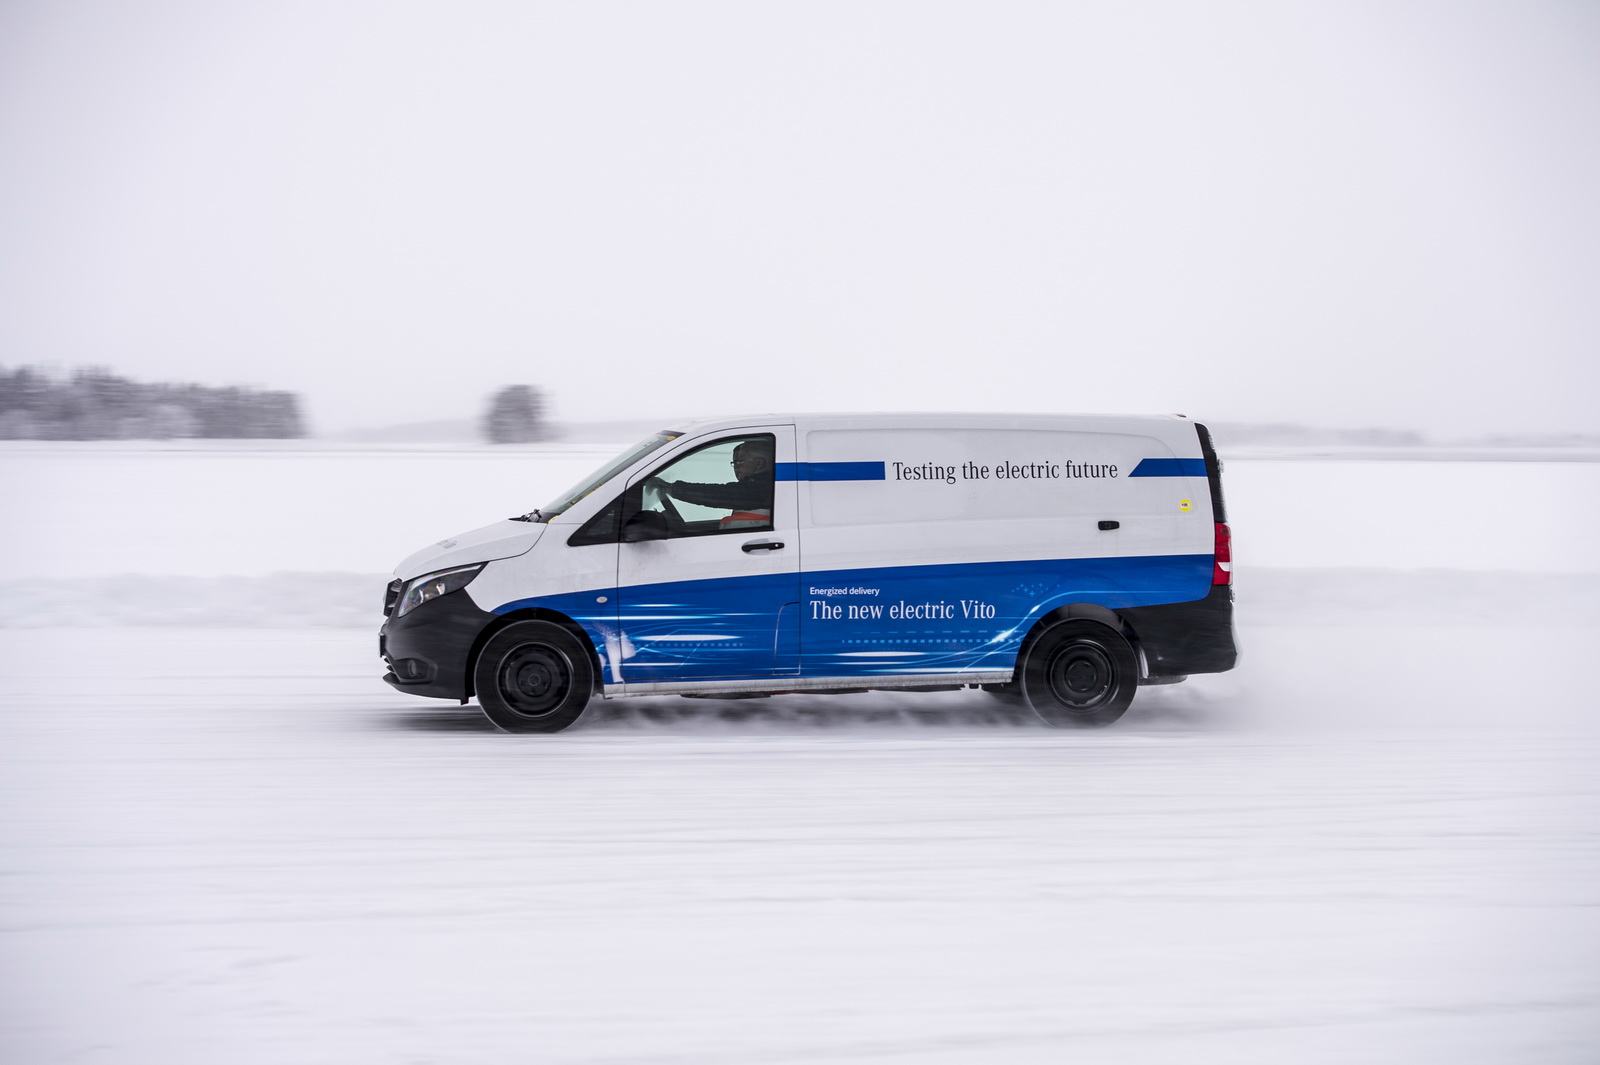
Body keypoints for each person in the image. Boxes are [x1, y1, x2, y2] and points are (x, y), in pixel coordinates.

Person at [651, 438, 774, 525]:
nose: (736, 466)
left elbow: (720, 494)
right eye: (734, 462)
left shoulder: (763, 489)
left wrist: (673, 489)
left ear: (759, 463)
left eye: (740, 461)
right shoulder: (758, 485)